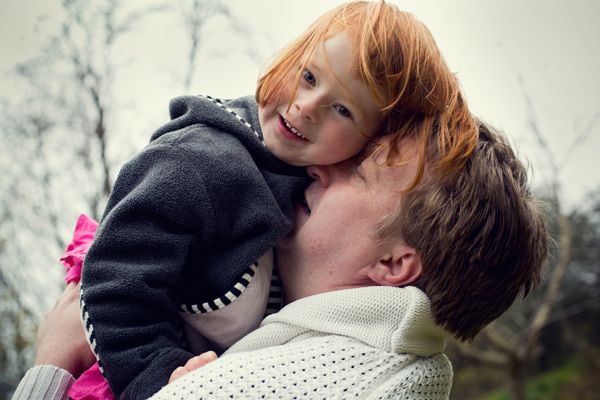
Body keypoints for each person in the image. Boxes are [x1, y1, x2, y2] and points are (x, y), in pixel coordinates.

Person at [77, 1, 477, 399]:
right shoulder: (198, 163)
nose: (305, 106)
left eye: (342, 109)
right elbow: (115, 277)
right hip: (122, 371)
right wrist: (156, 377)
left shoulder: (309, 179)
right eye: (307, 76)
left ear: (368, 144)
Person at [13, 119, 548, 399]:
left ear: (393, 265)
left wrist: (51, 367)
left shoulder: (302, 382)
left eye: (358, 170)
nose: (321, 168)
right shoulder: (397, 368)